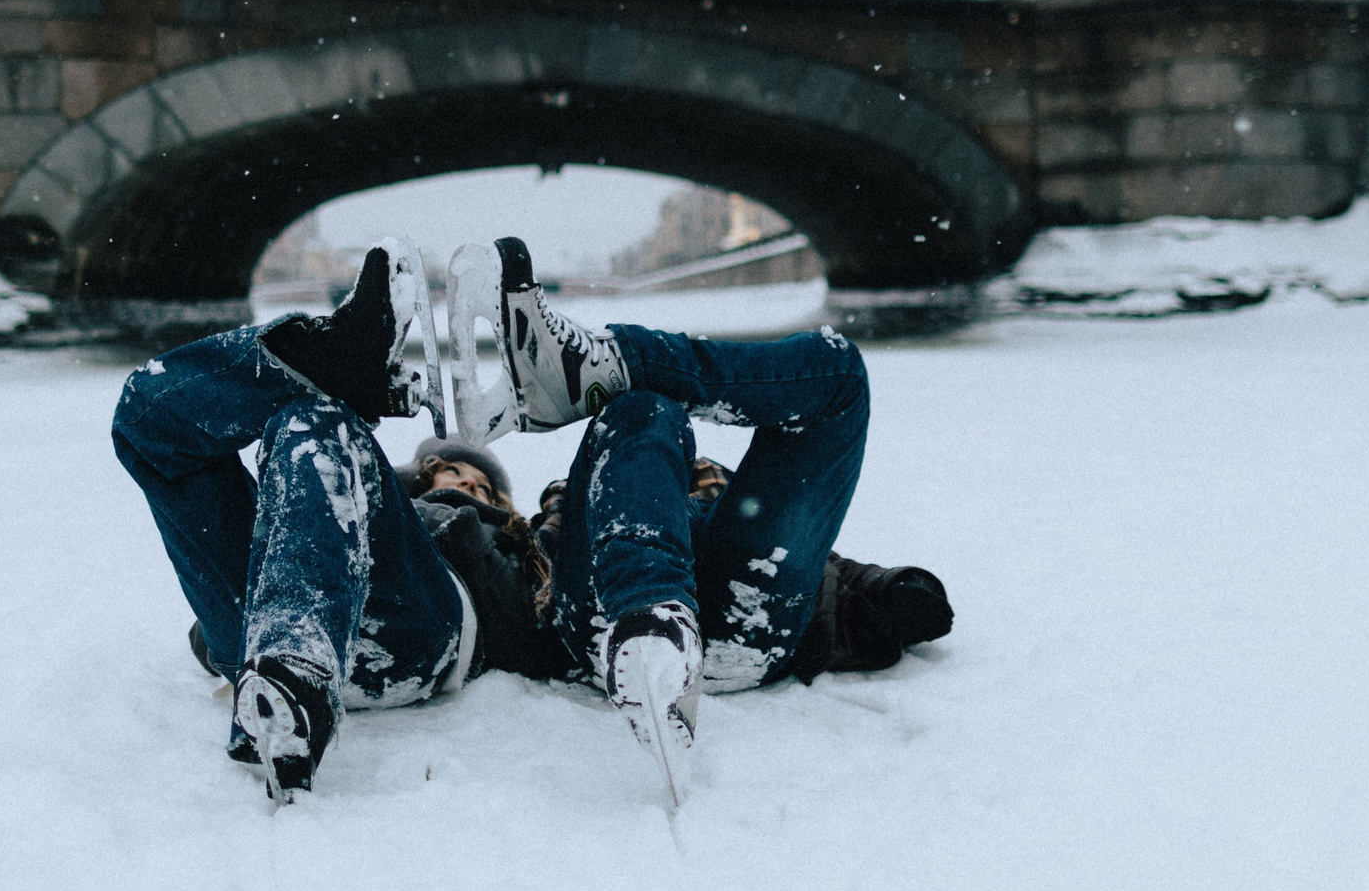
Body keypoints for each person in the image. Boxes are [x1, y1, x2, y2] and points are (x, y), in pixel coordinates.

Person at [110, 237, 952, 803]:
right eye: (440, 471)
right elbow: (234, 588)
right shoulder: (390, 508)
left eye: (471, 473)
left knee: (704, 403)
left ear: (506, 502)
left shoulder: (549, 529)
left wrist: (884, 597)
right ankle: (330, 373)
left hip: (708, 611)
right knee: (184, 420)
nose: (454, 476)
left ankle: (649, 614)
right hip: (336, 639)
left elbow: (820, 564)